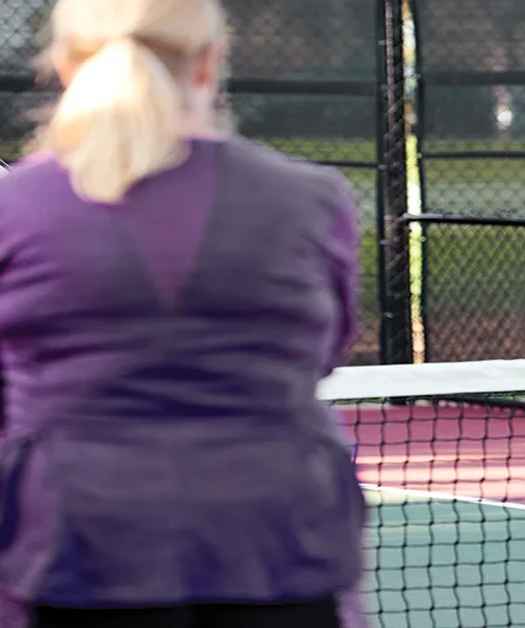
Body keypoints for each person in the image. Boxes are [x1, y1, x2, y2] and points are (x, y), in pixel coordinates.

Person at [0, 1, 366, 627]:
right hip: (279, 542)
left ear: (62, 67)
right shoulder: (311, 200)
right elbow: (323, 352)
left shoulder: (14, 208)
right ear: (209, 63)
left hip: (73, 549)